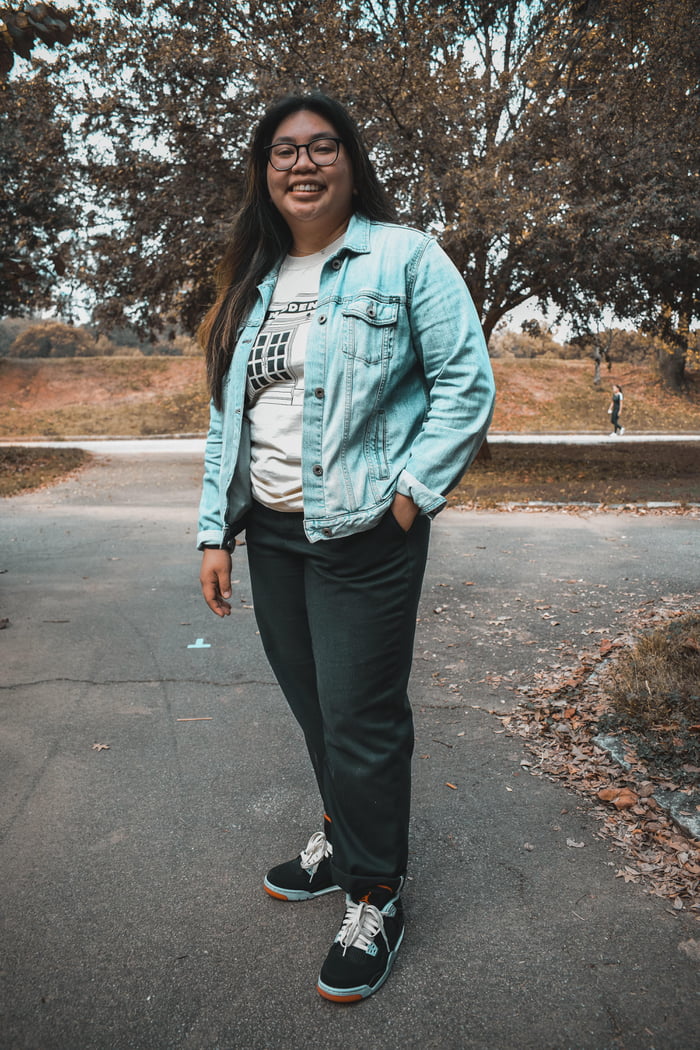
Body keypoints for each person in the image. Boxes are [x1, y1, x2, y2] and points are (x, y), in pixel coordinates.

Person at [196, 91, 495, 1003]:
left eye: (323, 146)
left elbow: (465, 382)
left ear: (350, 163)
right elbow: (228, 419)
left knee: (362, 720)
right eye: (284, 150)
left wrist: (407, 502)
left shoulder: (403, 256)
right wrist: (216, 529)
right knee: (316, 707)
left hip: (364, 531)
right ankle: (344, 832)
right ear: (265, 171)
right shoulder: (254, 279)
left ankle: (375, 891)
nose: (303, 163)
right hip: (274, 535)